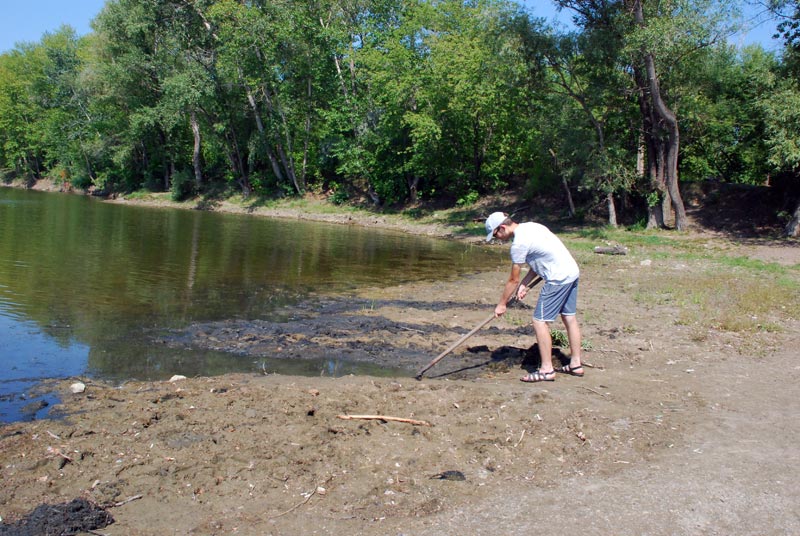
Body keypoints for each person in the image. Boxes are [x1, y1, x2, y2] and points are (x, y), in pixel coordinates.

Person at [485, 212, 584, 383]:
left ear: (502, 228)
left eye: (495, 235)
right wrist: (526, 285)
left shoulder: (518, 244)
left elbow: (512, 279)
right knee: (569, 318)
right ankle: (576, 364)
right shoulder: (532, 226)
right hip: (571, 272)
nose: (497, 239)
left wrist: (501, 304)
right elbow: (540, 259)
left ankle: (546, 370)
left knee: (539, 321)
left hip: (558, 279)